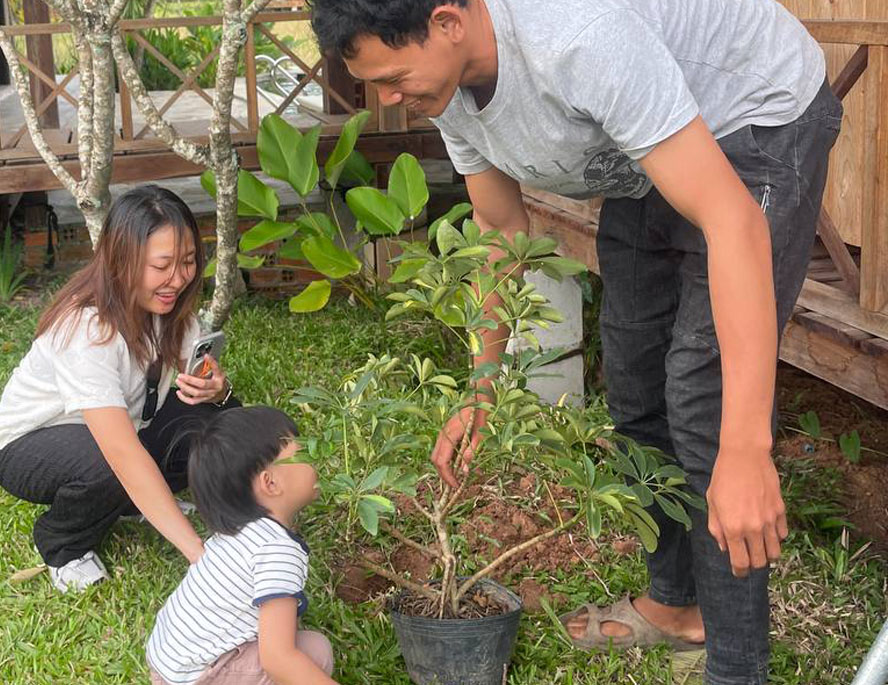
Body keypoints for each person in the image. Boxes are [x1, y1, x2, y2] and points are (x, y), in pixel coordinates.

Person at [310, 1, 842, 683]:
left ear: (447, 22)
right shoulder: (444, 85)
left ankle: (738, 666)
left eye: (393, 78)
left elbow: (732, 219)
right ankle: (675, 604)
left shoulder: (577, 41)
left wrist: (747, 446)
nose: (387, 100)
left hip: (755, 109)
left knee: (702, 398)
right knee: (635, 380)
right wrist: (481, 387)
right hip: (652, 137)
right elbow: (502, 228)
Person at [0, 185, 240, 593]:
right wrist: (200, 557)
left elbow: (203, 409)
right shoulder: (87, 329)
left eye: (188, 261)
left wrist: (217, 392)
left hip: (119, 431)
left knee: (213, 421)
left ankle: (125, 503)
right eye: (163, 265)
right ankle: (63, 544)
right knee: (109, 463)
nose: (178, 278)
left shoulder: (171, 314)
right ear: (123, 261)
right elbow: (120, 453)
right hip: (26, 446)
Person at [145, 406, 336, 685]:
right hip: (197, 677)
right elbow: (278, 660)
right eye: (303, 453)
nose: (315, 459)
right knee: (315, 653)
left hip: (169, 662)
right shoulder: (277, 551)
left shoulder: (240, 530)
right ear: (270, 483)